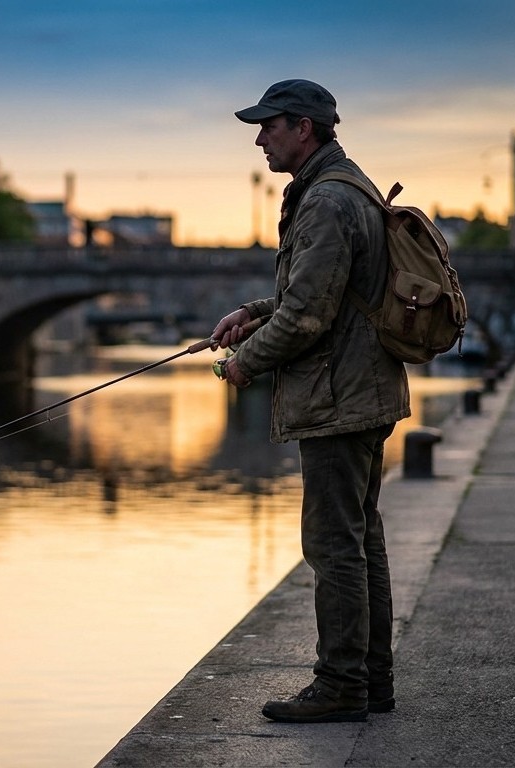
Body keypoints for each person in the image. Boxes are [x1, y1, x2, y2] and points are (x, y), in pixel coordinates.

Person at [212, 79, 410, 723]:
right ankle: (369, 682)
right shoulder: (346, 186)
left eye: (268, 126)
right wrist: (253, 310)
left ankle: (341, 685)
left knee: (333, 545)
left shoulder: (324, 200)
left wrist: (246, 363)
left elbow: (307, 317)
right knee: (359, 540)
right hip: (360, 389)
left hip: (337, 396)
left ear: (305, 127)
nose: (260, 139)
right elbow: (326, 294)